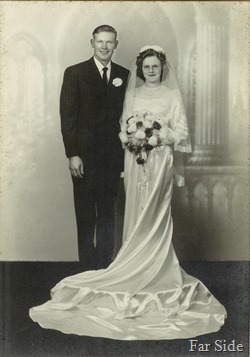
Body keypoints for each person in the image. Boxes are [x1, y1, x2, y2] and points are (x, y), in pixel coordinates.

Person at [30, 46, 226, 340]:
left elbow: (182, 131)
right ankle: (131, 264)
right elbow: (121, 125)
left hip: (160, 161)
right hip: (135, 162)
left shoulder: (171, 96)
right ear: (140, 69)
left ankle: (157, 267)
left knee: (156, 213)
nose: (150, 71)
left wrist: (156, 136)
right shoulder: (131, 95)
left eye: (155, 67)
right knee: (134, 211)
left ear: (162, 69)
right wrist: (134, 136)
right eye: (146, 67)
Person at [60, 25, 129, 270]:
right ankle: (86, 272)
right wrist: (73, 154)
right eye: (100, 41)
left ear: (116, 44)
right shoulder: (75, 73)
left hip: (111, 159)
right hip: (84, 159)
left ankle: (104, 271)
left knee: (108, 217)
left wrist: (124, 160)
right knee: (86, 218)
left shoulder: (125, 75)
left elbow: (128, 118)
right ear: (92, 43)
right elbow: (68, 117)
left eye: (109, 42)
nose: (104, 46)